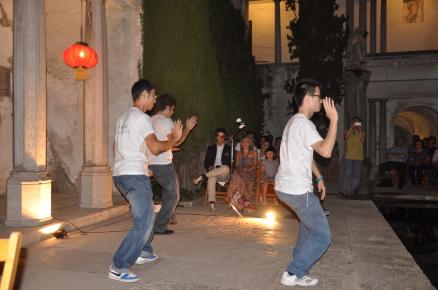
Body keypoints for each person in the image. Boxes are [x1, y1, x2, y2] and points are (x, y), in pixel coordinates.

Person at [109, 79, 183, 283]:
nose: (155, 99)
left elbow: (117, 146)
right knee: (144, 221)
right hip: (133, 175)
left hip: (122, 173)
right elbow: (155, 147)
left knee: (146, 214)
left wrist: (140, 166)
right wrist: (174, 140)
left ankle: (144, 250)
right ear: (144, 95)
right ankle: (119, 265)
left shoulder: (123, 117)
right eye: (153, 95)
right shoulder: (142, 118)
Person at [275, 79, 338, 287]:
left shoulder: (294, 122)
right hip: (297, 191)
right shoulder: (304, 124)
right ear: (309, 98)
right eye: (319, 97)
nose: (321, 101)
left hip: (285, 188)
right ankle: (293, 272)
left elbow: (307, 154)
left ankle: (298, 270)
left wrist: (319, 177)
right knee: (322, 236)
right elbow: (326, 151)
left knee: (307, 227)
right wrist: (334, 120)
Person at [148, 93, 198, 235]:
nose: (173, 112)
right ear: (168, 107)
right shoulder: (166, 121)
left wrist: (171, 146)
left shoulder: (150, 120)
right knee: (174, 194)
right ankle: (159, 226)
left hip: (149, 163)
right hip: (162, 163)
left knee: (167, 191)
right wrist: (188, 128)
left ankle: (167, 217)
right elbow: (177, 140)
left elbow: (159, 142)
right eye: (173, 109)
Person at [194, 128, 232, 211]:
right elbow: (206, 162)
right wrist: (210, 167)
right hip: (213, 172)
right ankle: (212, 203)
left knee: (225, 168)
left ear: (225, 137)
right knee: (211, 177)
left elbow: (231, 164)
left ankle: (203, 177)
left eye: (222, 136)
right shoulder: (211, 148)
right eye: (219, 136)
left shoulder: (229, 148)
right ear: (216, 137)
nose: (220, 138)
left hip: (224, 174)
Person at [340, 117, 365, 196]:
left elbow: (362, 140)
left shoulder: (362, 132)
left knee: (356, 175)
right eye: (354, 122)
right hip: (349, 156)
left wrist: (360, 130)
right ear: (352, 122)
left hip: (359, 157)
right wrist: (352, 127)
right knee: (347, 174)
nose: (356, 123)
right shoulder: (347, 131)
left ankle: (353, 190)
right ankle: (344, 190)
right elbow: (346, 137)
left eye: (357, 122)